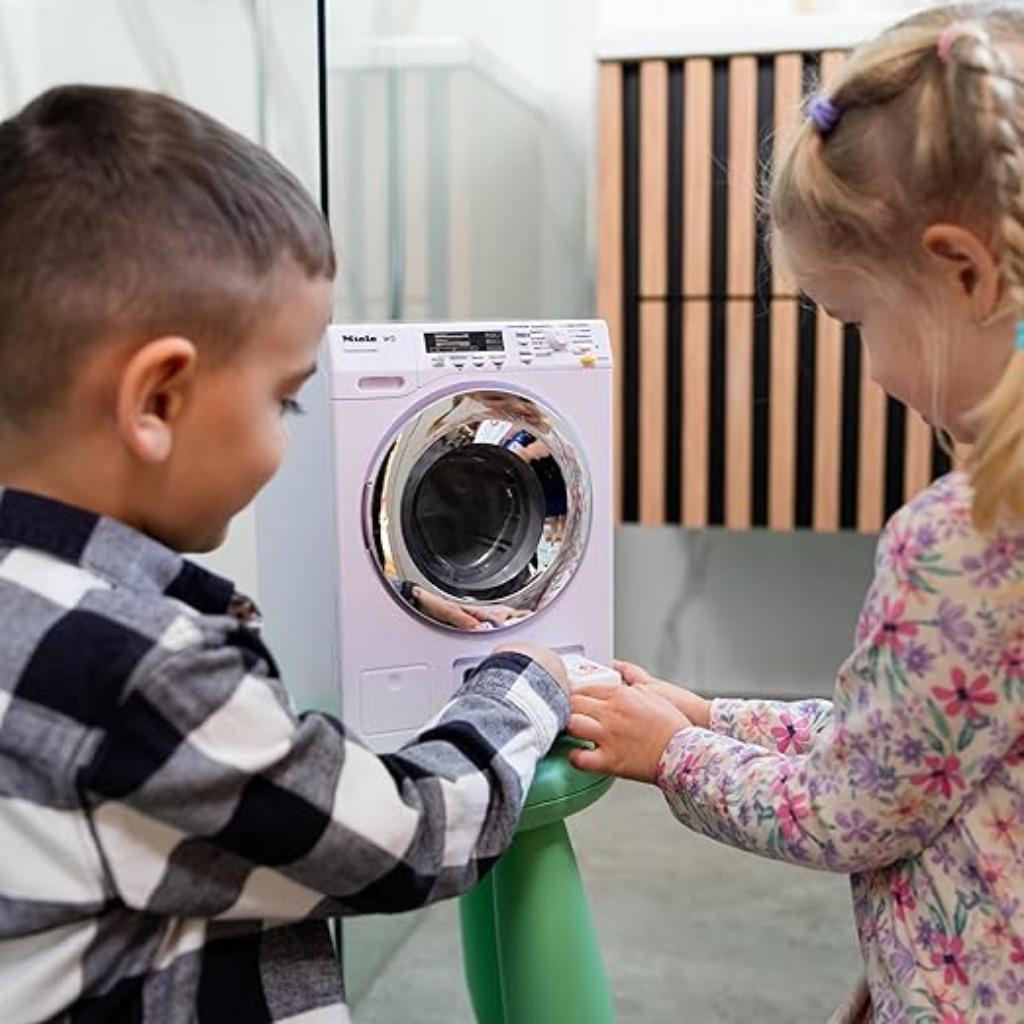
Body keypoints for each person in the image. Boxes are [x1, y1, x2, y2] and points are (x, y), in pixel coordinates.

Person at [0, 84, 571, 1023]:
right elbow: (408, 840)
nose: (286, 436)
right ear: (157, 401)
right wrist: (523, 684)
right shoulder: (145, 671)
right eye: (286, 398)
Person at [568, 7, 1024, 1022]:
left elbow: (847, 808)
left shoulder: (963, 538)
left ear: (963, 270)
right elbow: (913, 743)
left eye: (856, 320)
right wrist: (711, 715)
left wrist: (670, 752)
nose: (872, 371)